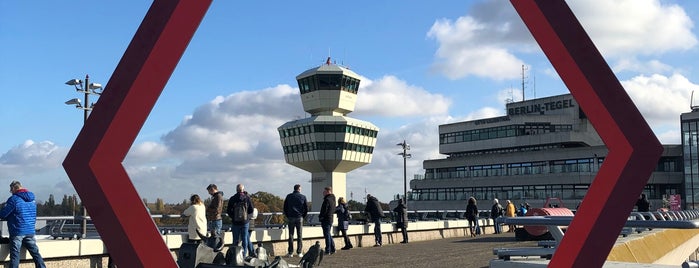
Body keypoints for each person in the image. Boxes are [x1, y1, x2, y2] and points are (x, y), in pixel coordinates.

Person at [0, 180, 46, 268]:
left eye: (11, 190)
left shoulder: (14, 199)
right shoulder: (32, 200)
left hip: (17, 231)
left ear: (14, 188)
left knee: (15, 255)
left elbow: (3, 214)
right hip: (30, 231)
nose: (11, 192)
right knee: (35, 253)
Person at [227, 184, 254, 257]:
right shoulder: (247, 198)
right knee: (244, 238)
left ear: (236, 190)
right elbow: (251, 210)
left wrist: (233, 217)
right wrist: (247, 218)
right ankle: (244, 255)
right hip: (245, 222)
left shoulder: (233, 198)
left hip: (235, 222)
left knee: (235, 239)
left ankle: (235, 255)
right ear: (243, 189)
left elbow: (228, 210)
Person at [283, 184, 308, 258]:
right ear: (299, 189)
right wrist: (303, 216)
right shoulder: (303, 197)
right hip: (299, 217)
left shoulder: (289, 196)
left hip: (291, 217)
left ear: (294, 189)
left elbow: (285, 207)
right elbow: (306, 208)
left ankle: (290, 252)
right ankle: (299, 252)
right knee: (299, 235)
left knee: (291, 235)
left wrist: (288, 215)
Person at [319, 186, 336, 255]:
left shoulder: (327, 200)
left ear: (328, 191)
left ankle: (328, 249)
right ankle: (332, 248)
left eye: (324, 191)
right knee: (328, 234)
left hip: (326, 219)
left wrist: (321, 217)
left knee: (327, 235)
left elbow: (324, 210)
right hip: (330, 218)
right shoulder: (333, 199)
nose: (323, 193)